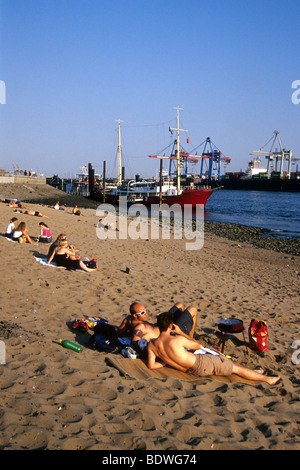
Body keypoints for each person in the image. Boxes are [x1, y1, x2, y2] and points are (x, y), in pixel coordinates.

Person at [147, 311, 281, 385]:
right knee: (235, 368)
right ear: (170, 326)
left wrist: (165, 361)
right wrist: (181, 332)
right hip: (201, 365)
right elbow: (198, 345)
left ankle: (255, 371)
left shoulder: (152, 344)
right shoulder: (177, 339)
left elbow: (152, 366)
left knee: (225, 360)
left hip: (190, 369)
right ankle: (267, 380)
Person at [116, 301, 198, 357]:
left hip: (161, 324)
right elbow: (135, 342)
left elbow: (118, 333)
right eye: (142, 313)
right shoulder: (140, 328)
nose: (146, 314)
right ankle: (191, 339)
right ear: (135, 315)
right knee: (193, 309)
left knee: (179, 305)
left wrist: (127, 331)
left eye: (145, 310)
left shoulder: (128, 319)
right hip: (170, 332)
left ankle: (185, 332)